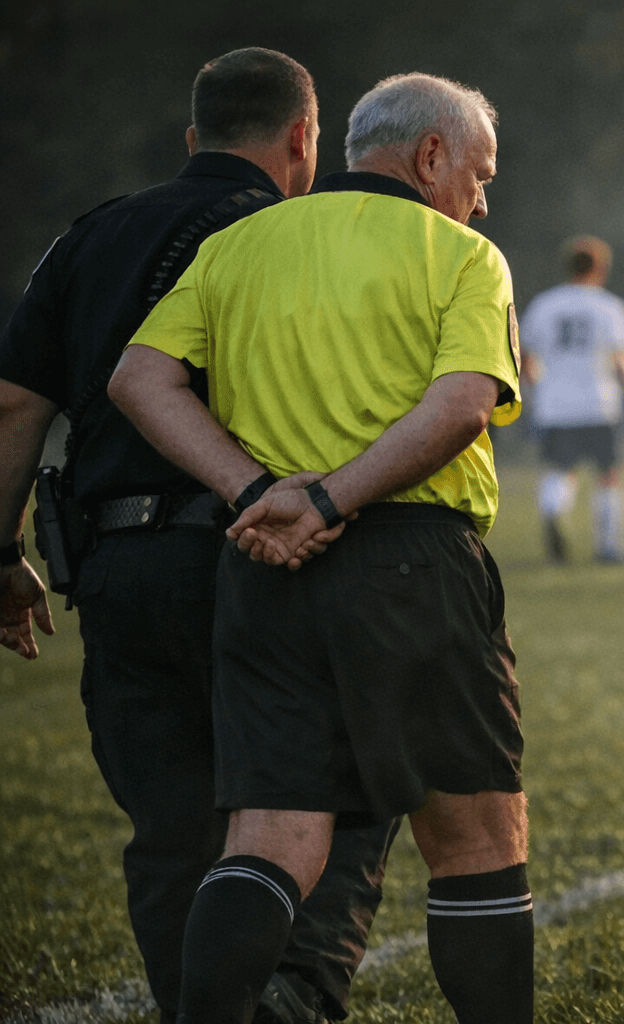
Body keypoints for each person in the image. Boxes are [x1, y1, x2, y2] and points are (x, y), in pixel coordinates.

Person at [108, 71, 531, 1024]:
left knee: (271, 838)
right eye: (479, 174)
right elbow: (463, 407)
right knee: (474, 839)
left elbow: (138, 380)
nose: (481, 199)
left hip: (265, 568)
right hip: (415, 560)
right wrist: (333, 498)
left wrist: (258, 494)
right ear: (431, 154)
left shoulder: (238, 242)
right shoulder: (463, 254)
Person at [0, 48, 396, 1024]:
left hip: (116, 569)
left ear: (193, 137)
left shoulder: (87, 236)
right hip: (261, 557)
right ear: (303, 137)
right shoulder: (294, 236)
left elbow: (14, 405)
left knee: (173, 831)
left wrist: (1, 555)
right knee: (344, 785)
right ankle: (296, 992)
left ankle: (201, 1010)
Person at [519, 235, 624, 564]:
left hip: (555, 405)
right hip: (599, 404)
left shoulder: (544, 305)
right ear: (602, 268)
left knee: (560, 470)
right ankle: (609, 548)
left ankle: (554, 510)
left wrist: (537, 389)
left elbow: (524, 359)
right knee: (608, 475)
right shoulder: (610, 307)